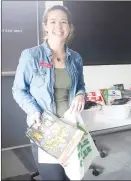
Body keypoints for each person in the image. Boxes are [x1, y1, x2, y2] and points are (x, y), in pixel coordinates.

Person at [12, 5, 85, 180]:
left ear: (70, 27)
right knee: (54, 177)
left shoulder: (75, 58)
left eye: (63, 22)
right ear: (45, 25)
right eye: (53, 21)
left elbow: (81, 85)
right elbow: (18, 90)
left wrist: (81, 94)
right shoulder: (31, 56)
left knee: (72, 176)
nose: (58, 27)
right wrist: (33, 110)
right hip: (45, 129)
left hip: (71, 128)